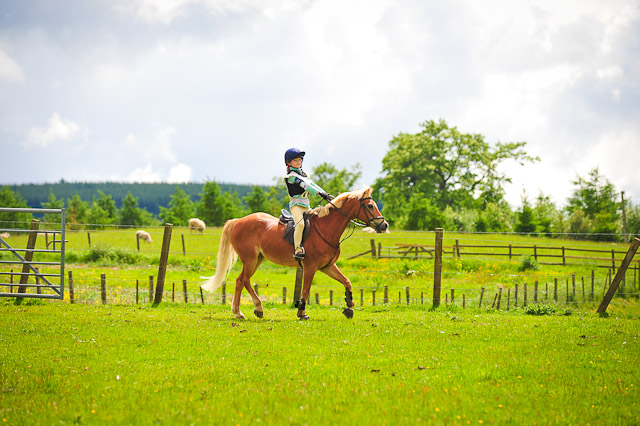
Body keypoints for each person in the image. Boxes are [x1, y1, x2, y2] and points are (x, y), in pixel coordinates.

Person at [284, 148, 333, 259]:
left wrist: (325, 193)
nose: (299, 162)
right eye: (295, 160)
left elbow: (313, 185)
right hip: (296, 207)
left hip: (306, 206)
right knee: (300, 225)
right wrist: (320, 194)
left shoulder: (304, 174)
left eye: (300, 160)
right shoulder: (291, 177)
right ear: (288, 162)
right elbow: (305, 186)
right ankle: (297, 249)